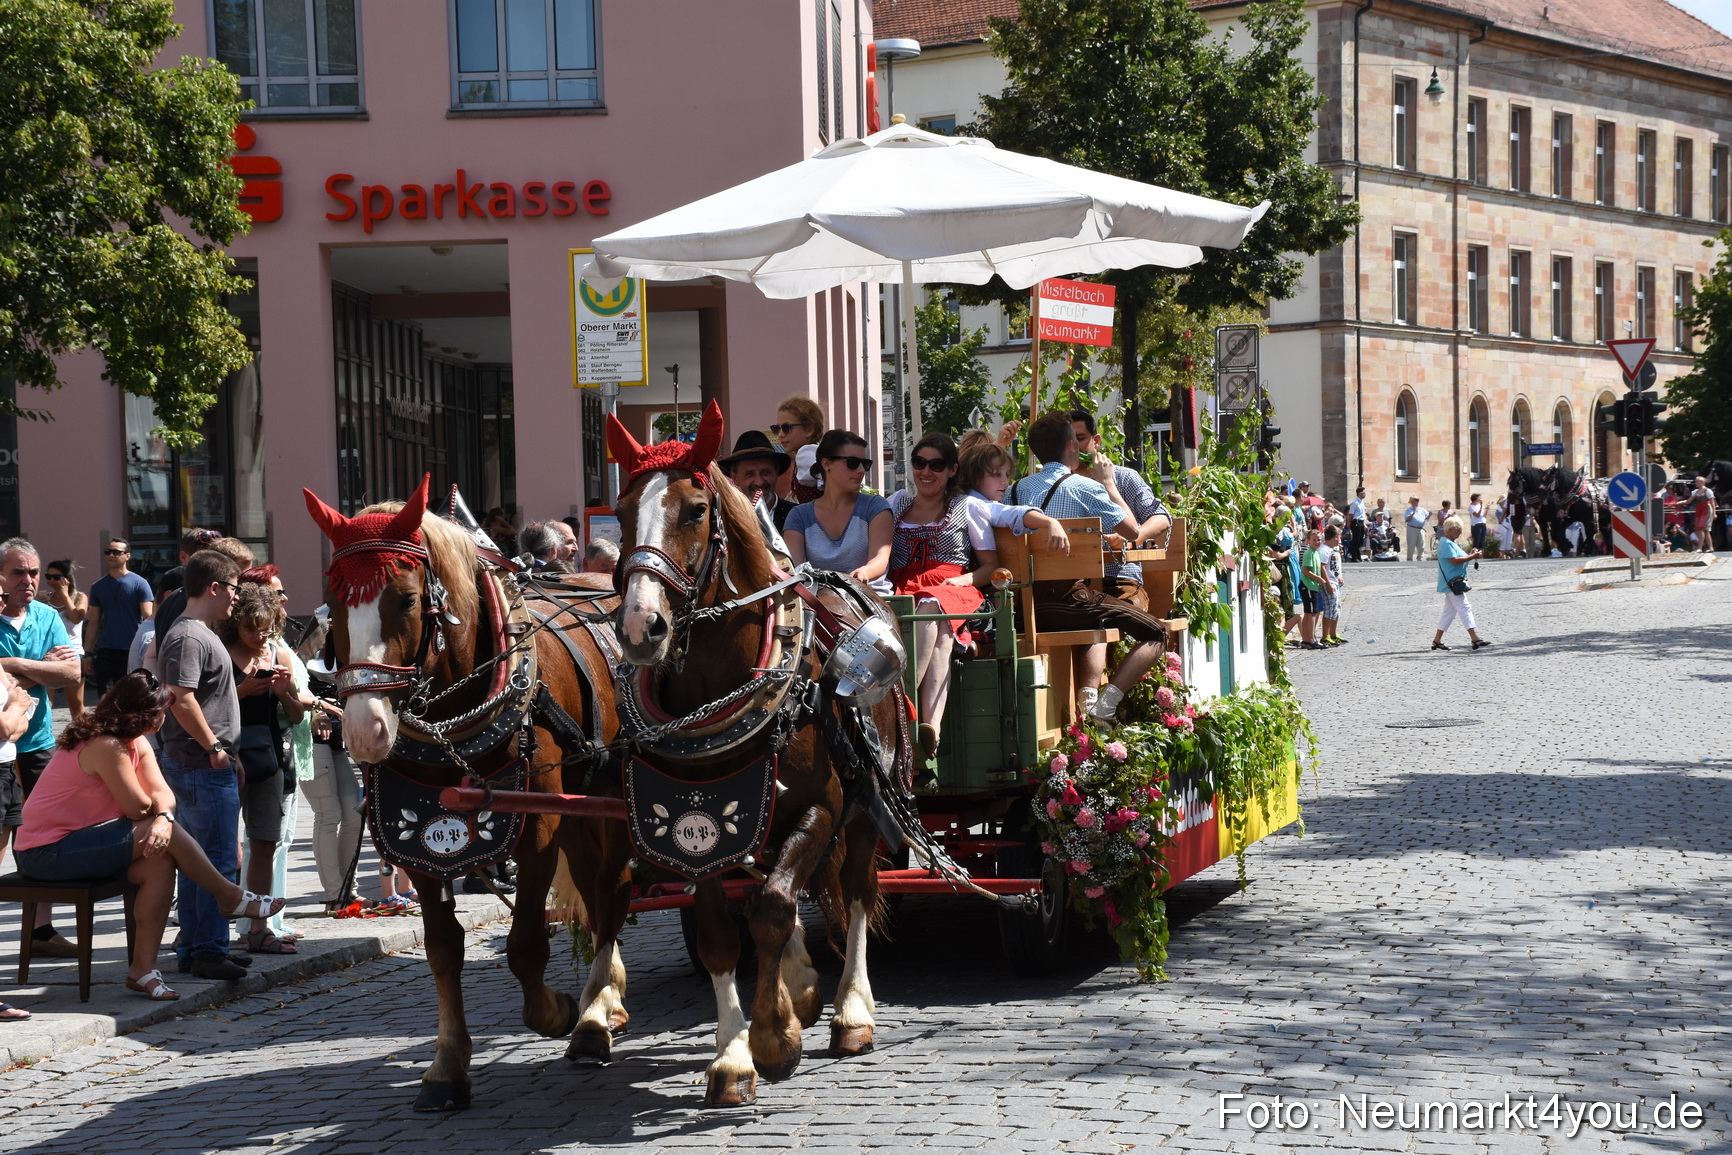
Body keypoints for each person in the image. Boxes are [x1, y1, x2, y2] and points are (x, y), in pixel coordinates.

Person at [15, 671, 285, 1002]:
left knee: (159, 862)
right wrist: (159, 816)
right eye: (160, 711)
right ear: (142, 713)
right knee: (163, 834)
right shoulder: (106, 744)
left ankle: (142, 969)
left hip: (84, 843)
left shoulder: (133, 740)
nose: (165, 716)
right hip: (44, 853)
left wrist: (162, 816)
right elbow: (136, 806)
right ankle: (229, 896)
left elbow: (163, 793)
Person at [1008, 414, 1169, 724]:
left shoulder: (1015, 491)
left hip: (1025, 607)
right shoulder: (1084, 487)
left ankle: (1088, 702)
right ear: (1071, 445)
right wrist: (1108, 484)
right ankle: (1104, 705)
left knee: (1100, 613)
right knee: (1157, 633)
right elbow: (1134, 532)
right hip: (1071, 602)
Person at [157, 549, 250, 980]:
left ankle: (199, 949)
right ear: (213, 587)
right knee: (213, 861)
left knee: (200, 862)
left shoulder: (198, 633)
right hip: (199, 765)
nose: (237, 597)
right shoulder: (189, 637)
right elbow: (180, 698)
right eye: (233, 588)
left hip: (208, 764)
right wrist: (215, 747)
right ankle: (209, 950)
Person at [889, 433, 998, 757]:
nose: (926, 471)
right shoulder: (897, 505)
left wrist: (964, 580)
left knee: (932, 607)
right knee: (941, 634)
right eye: (919, 463)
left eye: (936, 465)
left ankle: (898, 700)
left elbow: (991, 566)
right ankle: (931, 726)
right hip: (903, 586)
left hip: (954, 587)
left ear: (952, 469)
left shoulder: (967, 507)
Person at [0, 538, 84, 956]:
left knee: (42, 834)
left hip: (37, 742)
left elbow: (71, 673)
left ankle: (40, 930)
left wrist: (13, 667)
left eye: (34, 573)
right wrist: (44, 670)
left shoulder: (48, 615)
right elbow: (54, 672)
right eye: (19, 572)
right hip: (1, 744)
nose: (29, 581)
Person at [224, 569, 315, 951]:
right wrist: (242, 691)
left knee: (264, 842)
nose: (259, 637)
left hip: (268, 757)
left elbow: (296, 717)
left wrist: (283, 691)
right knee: (223, 848)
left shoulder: (277, 652)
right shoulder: (220, 650)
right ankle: (209, 929)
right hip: (226, 756)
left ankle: (259, 929)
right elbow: (203, 707)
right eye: (251, 630)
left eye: (265, 629)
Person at [784, 430, 894, 595]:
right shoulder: (799, 516)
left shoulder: (876, 506)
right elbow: (794, 570)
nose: (861, 470)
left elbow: (880, 559)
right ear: (826, 464)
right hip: (818, 602)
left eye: (865, 463)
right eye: (852, 462)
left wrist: (865, 572)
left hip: (870, 598)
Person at [956, 440, 1071, 555]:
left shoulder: (954, 499)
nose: (1006, 481)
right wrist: (1050, 522)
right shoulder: (977, 504)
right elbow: (1013, 513)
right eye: (997, 474)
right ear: (975, 476)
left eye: (1007, 474)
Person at [83, 540, 155, 699]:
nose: (111, 555)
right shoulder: (98, 586)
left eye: (116, 552)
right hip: (106, 651)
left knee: (133, 698)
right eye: (108, 552)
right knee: (106, 700)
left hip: (132, 650)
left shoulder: (140, 583)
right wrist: (87, 653)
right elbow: (94, 622)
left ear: (127, 556)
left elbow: (148, 617)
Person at [718, 429, 798, 531]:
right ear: (735, 478)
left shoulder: (796, 515)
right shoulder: (725, 520)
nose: (759, 482)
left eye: (765, 472)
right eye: (749, 474)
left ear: (776, 472)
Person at [42, 559, 89, 721]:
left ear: (66, 578)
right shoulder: (45, 599)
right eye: (48, 577)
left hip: (72, 654)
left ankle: (83, 738)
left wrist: (64, 594)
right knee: (46, 701)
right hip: (49, 656)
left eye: (56, 577)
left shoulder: (80, 597)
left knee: (75, 703)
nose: (51, 581)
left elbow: (76, 617)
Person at [1432, 518, 1489, 651]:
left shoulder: (1450, 542)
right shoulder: (1446, 543)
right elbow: (1454, 560)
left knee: (1449, 613)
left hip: (1455, 581)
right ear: (1450, 529)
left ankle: (1437, 640)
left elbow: (1459, 558)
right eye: (1458, 530)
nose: (1460, 532)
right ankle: (1475, 638)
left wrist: (1471, 554)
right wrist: (1472, 557)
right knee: (1465, 607)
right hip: (1452, 583)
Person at [771, 396, 825, 503]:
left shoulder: (806, 454)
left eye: (786, 428)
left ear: (809, 430)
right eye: (776, 428)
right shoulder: (812, 453)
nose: (780, 435)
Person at [1297, 527, 1326, 649]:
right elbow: (1305, 570)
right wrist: (1319, 579)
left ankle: (1306, 639)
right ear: (1308, 541)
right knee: (1312, 612)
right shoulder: (1309, 553)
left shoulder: (1316, 553)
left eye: (1319, 540)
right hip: (1308, 585)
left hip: (1312, 586)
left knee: (1310, 613)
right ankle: (1310, 639)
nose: (1317, 542)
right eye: (1314, 540)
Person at [1320, 525, 1346, 645]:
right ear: (1335, 537)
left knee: (1336, 609)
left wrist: (1339, 576)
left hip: (1336, 582)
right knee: (1330, 609)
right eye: (1339, 536)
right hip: (1329, 583)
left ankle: (1333, 634)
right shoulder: (1324, 549)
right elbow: (1322, 567)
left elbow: (1335, 566)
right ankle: (1325, 636)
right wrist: (1328, 583)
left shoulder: (1333, 549)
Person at [1688, 476, 1716, 553]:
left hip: (1707, 509)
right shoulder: (1695, 491)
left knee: (1703, 529)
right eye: (1696, 481)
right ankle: (1710, 547)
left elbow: (1712, 503)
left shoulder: (1708, 491)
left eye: (1698, 481)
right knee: (1703, 530)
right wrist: (1679, 503)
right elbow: (1688, 501)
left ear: (1702, 482)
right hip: (1700, 509)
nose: (1696, 483)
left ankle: (1700, 547)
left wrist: (1714, 513)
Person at [1347, 487, 1367, 562]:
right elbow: (1351, 514)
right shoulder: (1355, 503)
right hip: (1356, 522)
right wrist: (1349, 522)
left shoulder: (1361, 502)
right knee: (1356, 540)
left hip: (1361, 522)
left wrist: (1364, 524)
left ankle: (1357, 555)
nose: (1365, 494)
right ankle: (1354, 556)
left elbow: (1362, 514)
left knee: (1360, 540)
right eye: (1363, 493)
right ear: (1359, 493)